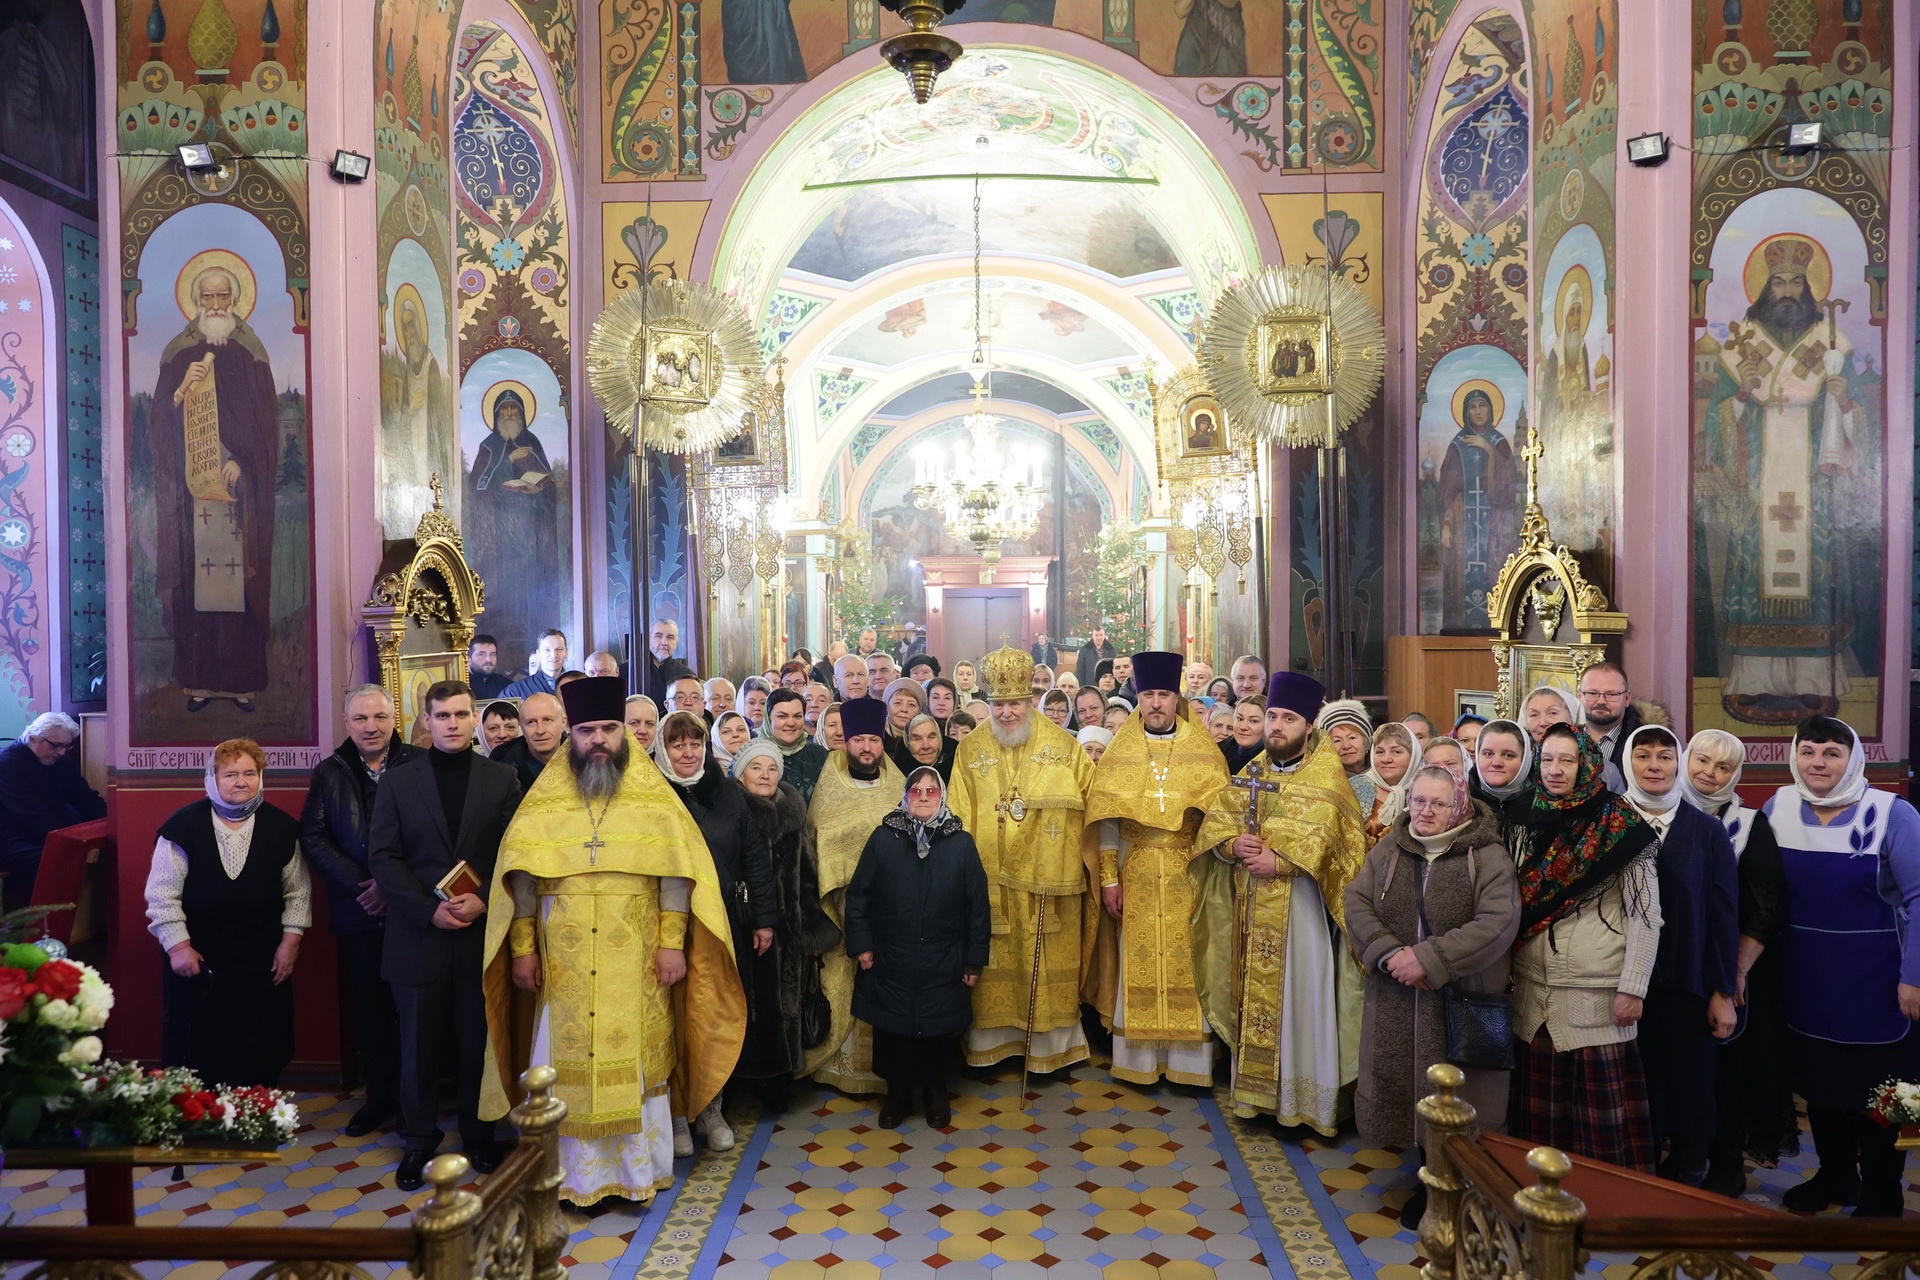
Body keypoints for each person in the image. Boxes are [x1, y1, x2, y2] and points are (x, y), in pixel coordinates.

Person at [478, 678, 742, 1207]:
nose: (598, 739)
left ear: (624, 733)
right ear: (569, 736)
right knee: (559, 1059)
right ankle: (570, 1176)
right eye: (586, 730)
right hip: (564, 965)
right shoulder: (542, 804)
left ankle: (634, 1172)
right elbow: (522, 886)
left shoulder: (655, 800)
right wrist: (524, 951)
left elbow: (676, 877)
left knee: (638, 1060)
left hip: (637, 958)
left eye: (608, 728)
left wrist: (672, 944)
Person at [1345, 764, 1520, 1229]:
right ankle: (1428, 1178)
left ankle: (1465, 1184)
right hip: (1399, 996)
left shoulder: (1487, 855)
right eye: (1419, 801)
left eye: (1438, 803)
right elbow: (1356, 902)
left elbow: (1497, 922)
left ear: (1458, 804)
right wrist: (1388, 954)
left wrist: (1430, 959)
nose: (1425, 811)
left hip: (1460, 998)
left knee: (1460, 1096)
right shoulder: (1391, 848)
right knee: (1411, 1088)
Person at [1194, 672, 1368, 1132]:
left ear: (1309, 726)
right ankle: (1256, 1098)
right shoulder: (1253, 772)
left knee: (1301, 1000)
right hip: (1251, 911)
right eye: (1272, 716)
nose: (1275, 726)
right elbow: (1216, 827)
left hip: (1303, 918)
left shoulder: (1329, 781)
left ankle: (1305, 1105)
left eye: (1287, 719)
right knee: (1254, 999)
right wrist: (1233, 847)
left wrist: (1284, 862)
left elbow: (1343, 852)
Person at [368, 681, 524, 1190]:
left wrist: (484, 898)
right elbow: (384, 857)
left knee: (476, 1040)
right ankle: (418, 1141)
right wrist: (424, 910)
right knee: (416, 1045)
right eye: (442, 715)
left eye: (461, 714)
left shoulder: (502, 778)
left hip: (480, 931)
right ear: (426, 721)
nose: (452, 723)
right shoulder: (398, 781)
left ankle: (479, 1136)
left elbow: (512, 850)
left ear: (474, 718)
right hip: (418, 936)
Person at [1767, 716, 1920, 1217]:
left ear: (1853, 758)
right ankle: (1835, 1177)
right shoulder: (1778, 808)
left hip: (1877, 979)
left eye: (1831, 752)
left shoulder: (1893, 814)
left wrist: (1914, 975)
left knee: (1879, 1093)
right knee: (1822, 1086)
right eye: (1808, 750)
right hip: (1806, 978)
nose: (1818, 762)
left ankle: (1881, 1189)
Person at [1507, 725, 1661, 1173]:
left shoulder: (1621, 823)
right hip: (1532, 995)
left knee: (1600, 1135)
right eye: (1548, 759)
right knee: (1537, 1132)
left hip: (1597, 997)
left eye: (1567, 760)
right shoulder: (1521, 815)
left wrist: (1634, 987)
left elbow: (1646, 915)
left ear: (1588, 764)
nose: (1555, 770)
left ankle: (1607, 1215)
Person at [1084, 651, 1229, 1087]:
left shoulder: (1202, 751)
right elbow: (1107, 823)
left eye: (1164, 694)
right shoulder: (1121, 751)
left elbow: (1219, 819)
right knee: (1138, 960)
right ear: (1139, 697)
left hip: (1189, 873)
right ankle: (1139, 1062)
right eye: (1148, 694)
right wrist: (1109, 878)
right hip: (1138, 872)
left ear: (1176, 696)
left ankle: (1189, 1066)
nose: (1156, 703)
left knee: (1190, 960)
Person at [947, 646, 1095, 1073]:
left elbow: (1091, 807)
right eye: (998, 705)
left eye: (1015, 703)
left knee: (1044, 960)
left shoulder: (1064, 746)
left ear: (1031, 701)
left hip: (1048, 885)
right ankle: (992, 1046)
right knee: (994, 962)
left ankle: (1051, 1050)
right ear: (988, 703)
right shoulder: (969, 749)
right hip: (988, 881)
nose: (1007, 713)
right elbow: (956, 813)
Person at [150, 267, 281, 714]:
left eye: (224, 295)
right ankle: (198, 682)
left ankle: (242, 682)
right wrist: (181, 390)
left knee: (238, 589)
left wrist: (241, 460)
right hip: (192, 495)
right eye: (207, 297)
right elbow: (159, 421)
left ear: (236, 297)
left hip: (236, 492)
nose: (215, 305)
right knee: (196, 590)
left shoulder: (251, 351)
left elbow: (265, 426)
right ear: (195, 299)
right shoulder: (178, 351)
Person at [146, 739, 309, 1087]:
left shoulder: (282, 827)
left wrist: (290, 944)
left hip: (262, 960)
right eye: (230, 773)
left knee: (261, 1043)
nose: (241, 781)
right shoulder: (181, 827)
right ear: (212, 778)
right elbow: (162, 896)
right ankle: (198, 1119)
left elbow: (298, 892)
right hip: (199, 961)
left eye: (250, 773)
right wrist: (178, 947)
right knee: (199, 1048)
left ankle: (256, 1114)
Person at [1679, 729, 1797, 1196]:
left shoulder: (1750, 824)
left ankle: (1726, 1158)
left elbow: (1765, 906)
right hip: (1674, 965)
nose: (1709, 773)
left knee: (1729, 1067)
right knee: (1684, 1064)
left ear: (1736, 774)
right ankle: (1684, 1150)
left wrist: (1734, 975)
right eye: (1702, 761)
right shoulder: (1661, 811)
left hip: (1733, 970)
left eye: (1723, 767)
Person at [1620, 724, 1738, 1188]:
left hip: (1687, 984)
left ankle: (1689, 1170)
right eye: (1644, 755)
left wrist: (1723, 991)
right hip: (1620, 984)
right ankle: (1639, 1176)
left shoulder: (1706, 830)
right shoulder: (1607, 821)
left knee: (1690, 1086)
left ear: (1678, 764)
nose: (1654, 766)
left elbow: (1723, 915)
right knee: (1637, 1086)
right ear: (1628, 761)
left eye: (1665, 757)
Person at [653, 710, 775, 1153]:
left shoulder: (728, 794)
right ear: (663, 750)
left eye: (694, 744)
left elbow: (755, 859)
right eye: (677, 745)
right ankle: (677, 1116)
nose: (687, 753)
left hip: (723, 926)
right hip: (665, 930)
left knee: (713, 1015)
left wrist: (764, 919)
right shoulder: (651, 797)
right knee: (672, 1020)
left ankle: (711, 1108)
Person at [300, 686, 420, 1135]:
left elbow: (429, 838)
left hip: (410, 911)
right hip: (357, 912)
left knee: (411, 1010)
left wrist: (394, 887)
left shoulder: (417, 764)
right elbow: (314, 837)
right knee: (371, 1010)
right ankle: (379, 1098)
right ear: (347, 723)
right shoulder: (329, 771)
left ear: (395, 719)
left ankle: (413, 1102)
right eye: (361, 719)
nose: (371, 726)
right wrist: (363, 887)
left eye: (380, 717)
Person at [847, 767, 991, 1129]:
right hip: (891, 957)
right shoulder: (884, 838)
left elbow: (978, 907)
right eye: (916, 791)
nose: (924, 797)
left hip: (945, 959)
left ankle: (934, 1093)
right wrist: (862, 944)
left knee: (938, 1034)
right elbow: (859, 895)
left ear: (942, 796)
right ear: (905, 796)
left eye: (931, 791)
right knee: (893, 1032)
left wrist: (974, 960)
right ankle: (897, 1096)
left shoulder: (961, 843)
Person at [804, 697, 906, 1096]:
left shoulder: (900, 786)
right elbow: (820, 841)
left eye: (874, 740)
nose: (866, 747)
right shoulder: (830, 786)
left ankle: (891, 1067)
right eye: (858, 739)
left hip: (896, 910)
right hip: (843, 908)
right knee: (847, 977)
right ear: (845, 741)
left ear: (883, 742)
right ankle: (844, 1068)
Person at [732, 740, 838, 1111]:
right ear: (740, 773)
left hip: (788, 930)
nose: (765, 775)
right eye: (756, 768)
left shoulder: (793, 816)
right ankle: (743, 1080)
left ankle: (780, 1080)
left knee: (785, 1002)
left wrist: (811, 927)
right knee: (748, 1003)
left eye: (772, 768)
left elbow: (807, 875)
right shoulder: (732, 812)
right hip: (744, 928)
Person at [0, 712, 107, 912]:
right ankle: (35, 927)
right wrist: (69, 841)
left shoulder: (61, 763)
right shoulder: (6, 764)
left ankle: (86, 929)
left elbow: (86, 798)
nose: (61, 752)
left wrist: (113, 823)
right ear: (33, 739)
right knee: (54, 859)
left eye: (66, 746)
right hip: (11, 839)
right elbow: (30, 815)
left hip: (48, 834)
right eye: (55, 745)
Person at [1469, 719, 1535, 851]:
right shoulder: (1461, 803)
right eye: (1488, 754)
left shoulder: (1541, 806)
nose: (1496, 762)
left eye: (1508, 755)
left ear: (1525, 760)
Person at [1577, 662, 1641, 783]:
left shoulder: (1646, 741)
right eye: (1592, 693)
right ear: (1579, 695)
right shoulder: (1561, 736)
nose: (1601, 701)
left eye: (1611, 694)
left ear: (1627, 698)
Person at [763, 688, 829, 801]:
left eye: (797, 716)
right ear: (769, 719)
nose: (791, 723)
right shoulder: (754, 756)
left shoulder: (819, 755)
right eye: (782, 716)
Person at [490, 691, 565, 790]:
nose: (540, 730)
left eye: (547, 720)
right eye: (531, 722)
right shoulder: (501, 761)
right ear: (522, 727)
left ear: (563, 723)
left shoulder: (584, 756)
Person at [1364, 723, 1423, 843]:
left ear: (1413, 757)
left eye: (1396, 752)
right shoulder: (1356, 787)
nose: (1386, 759)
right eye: (1380, 752)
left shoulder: (1427, 789)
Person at [1317, 699, 1376, 816]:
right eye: (1337, 740)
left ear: (1367, 742)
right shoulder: (1321, 783)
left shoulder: (1384, 776)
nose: (1346, 746)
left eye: (1352, 738)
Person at [880, 677, 929, 774]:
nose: (904, 709)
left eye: (911, 705)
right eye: (897, 703)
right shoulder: (876, 736)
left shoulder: (926, 741)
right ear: (887, 707)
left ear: (920, 711)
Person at [640, 619, 695, 704]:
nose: (664, 642)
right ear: (648, 639)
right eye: (658, 636)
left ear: (676, 642)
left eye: (670, 637)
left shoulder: (686, 675)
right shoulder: (628, 671)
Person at [502, 629, 568, 699]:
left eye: (559, 649)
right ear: (538, 654)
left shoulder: (577, 687)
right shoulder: (514, 692)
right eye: (547, 650)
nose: (554, 655)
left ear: (566, 652)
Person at [1223, 695, 1265, 775]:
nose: (1243, 727)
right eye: (1240, 719)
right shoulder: (1219, 751)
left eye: (1253, 721)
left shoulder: (1273, 761)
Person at [902, 713, 952, 780]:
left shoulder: (956, 770)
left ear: (940, 739)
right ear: (908, 742)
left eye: (931, 737)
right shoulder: (897, 773)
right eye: (917, 739)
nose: (925, 746)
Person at [467, 635, 513, 700]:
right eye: (482, 654)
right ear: (468, 658)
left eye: (492, 654)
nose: (489, 659)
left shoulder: (506, 685)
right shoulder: (461, 685)